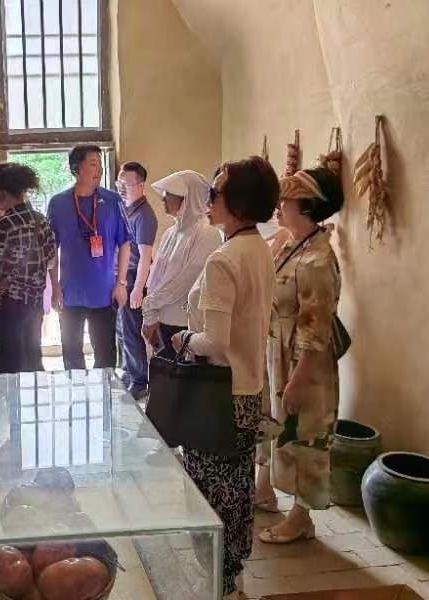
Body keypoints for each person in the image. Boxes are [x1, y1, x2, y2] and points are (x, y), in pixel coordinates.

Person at [170, 156, 278, 598]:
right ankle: (230, 579)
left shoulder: (224, 258)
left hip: (218, 393)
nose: (209, 200)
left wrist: (183, 340)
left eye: (215, 193)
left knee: (209, 494)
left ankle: (220, 581)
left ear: (238, 202)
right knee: (236, 489)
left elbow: (215, 341)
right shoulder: (259, 248)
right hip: (247, 390)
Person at [256, 168, 344, 544]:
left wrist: (298, 380)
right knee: (280, 432)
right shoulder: (294, 245)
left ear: (307, 205)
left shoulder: (318, 260)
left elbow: (315, 331)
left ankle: (301, 517)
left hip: (304, 363)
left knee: (306, 437)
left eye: (287, 200)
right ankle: (265, 491)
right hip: (278, 354)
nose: (279, 206)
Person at [0, 163, 56, 374]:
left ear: (1, 193)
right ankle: (35, 394)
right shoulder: (41, 221)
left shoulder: (0, 225)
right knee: (32, 361)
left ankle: (11, 397)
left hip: (6, 308)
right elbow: (51, 261)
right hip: (34, 303)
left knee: (9, 368)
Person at [47, 145, 130, 370]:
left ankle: (105, 392)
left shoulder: (113, 200)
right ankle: (76, 391)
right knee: (71, 354)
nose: (99, 170)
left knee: (106, 355)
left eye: (100, 165)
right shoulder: (58, 203)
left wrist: (121, 283)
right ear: (76, 169)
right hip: (69, 293)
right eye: (93, 164)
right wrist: (54, 287)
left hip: (104, 293)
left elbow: (125, 243)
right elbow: (51, 249)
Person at [142, 170, 221, 354]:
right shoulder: (171, 232)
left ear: (187, 198)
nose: (163, 198)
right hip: (161, 319)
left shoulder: (207, 233)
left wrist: (149, 305)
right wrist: (150, 315)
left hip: (184, 324)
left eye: (169, 193)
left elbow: (185, 281)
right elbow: (156, 276)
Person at [115, 162, 157, 399]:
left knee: (132, 331)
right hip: (121, 277)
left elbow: (145, 257)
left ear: (140, 185)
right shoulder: (126, 209)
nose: (122, 188)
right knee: (122, 330)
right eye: (119, 183)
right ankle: (128, 372)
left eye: (127, 184)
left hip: (133, 278)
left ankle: (139, 380)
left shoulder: (144, 215)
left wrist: (137, 289)